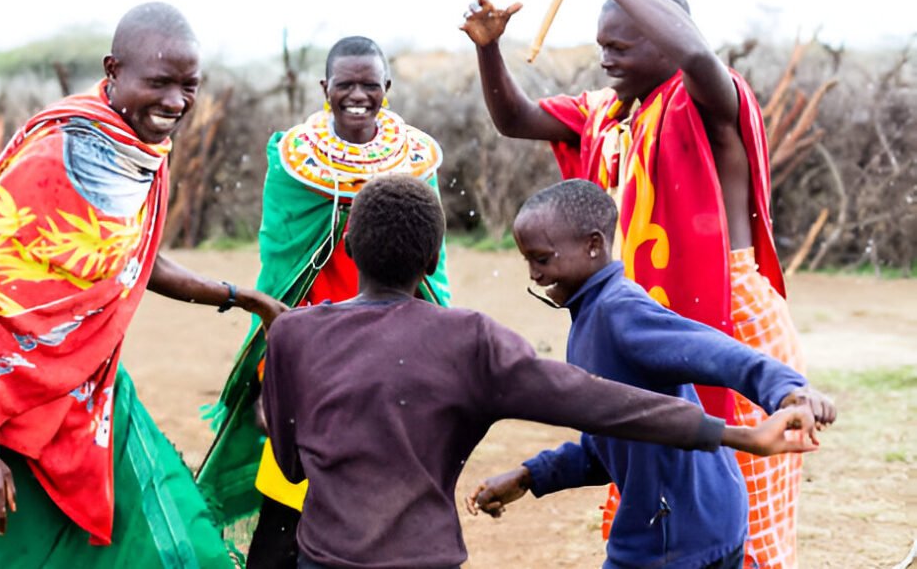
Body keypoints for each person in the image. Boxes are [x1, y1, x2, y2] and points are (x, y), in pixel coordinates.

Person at [0, 2, 285, 569]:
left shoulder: (136, 152)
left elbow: (134, 256)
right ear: (113, 70)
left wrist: (240, 297)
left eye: (189, 86)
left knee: (182, 544)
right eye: (159, 83)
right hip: (12, 411)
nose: (176, 102)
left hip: (96, 396)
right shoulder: (56, 154)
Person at [460, 0, 810, 567]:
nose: (606, 58)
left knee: (745, 514)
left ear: (666, 38)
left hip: (728, 313)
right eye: (602, 46)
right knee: (654, 476)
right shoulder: (605, 112)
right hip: (639, 320)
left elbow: (699, 57)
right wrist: (489, 50)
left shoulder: (706, 100)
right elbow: (514, 119)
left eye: (622, 44)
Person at [263, 174, 820, 569]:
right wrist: (736, 434)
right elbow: (592, 405)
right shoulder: (471, 339)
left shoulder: (293, 334)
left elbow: (290, 465)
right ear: (433, 261)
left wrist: (767, 407)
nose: (534, 273)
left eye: (542, 260)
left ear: (350, 249)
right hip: (426, 555)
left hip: (327, 555)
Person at [466, 179, 836, 569]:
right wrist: (530, 476)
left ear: (593, 245)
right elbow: (610, 437)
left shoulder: (620, 312)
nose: (534, 275)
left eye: (542, 259)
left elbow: (720, 353)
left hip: (676, 533)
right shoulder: (589, 319)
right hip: (691, 522)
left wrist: (789, 392)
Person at [196, 36, 450, 567]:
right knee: (284, 518)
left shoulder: (414, 162)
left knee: (379, 506)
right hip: (311, 353)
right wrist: (274, 374)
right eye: (345, 84)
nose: (357, 95)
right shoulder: (294, 164)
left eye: (369, 84)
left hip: (391, 352)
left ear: (387, 88)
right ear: (324, 88)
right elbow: (280, 268)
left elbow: (433, 267)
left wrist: (437, 355)